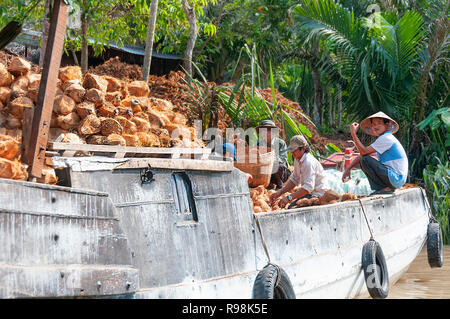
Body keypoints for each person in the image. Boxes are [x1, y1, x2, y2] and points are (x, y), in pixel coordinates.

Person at [342, 111, 408, 195]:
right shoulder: (383, 139)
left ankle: (384, 188)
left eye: (379, 123)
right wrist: (348, 169)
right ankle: (384, 188)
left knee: (365, 160)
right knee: (364, 159)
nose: (375, 126)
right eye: (373, 124)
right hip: (395, 179)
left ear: (386, 125)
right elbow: (361, 155)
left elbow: (363, 153)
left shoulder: (386, 138)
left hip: (396, 179)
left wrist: (353, 134)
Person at [269, 135, 328, 209]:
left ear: (303, 148)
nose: (292, 152)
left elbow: (308, 188)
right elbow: (295, 179)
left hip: (318, 195)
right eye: (291, 150)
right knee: (291, 207)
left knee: (292, 208)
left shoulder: (308, 163)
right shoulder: (297, 159)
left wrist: (289, 198)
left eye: (294, 150)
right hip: (310, 193)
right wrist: (279, 192)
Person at [256, 119, 290, 189]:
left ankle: (279, 186)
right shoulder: (258, 144)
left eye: (269, 130)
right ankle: (266, 184)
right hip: (265, 171)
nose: (266, 133)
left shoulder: (280, 143)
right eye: (263, 130)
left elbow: (283, 158)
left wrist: (270, 159)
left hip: (280, 173)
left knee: (277, 165)